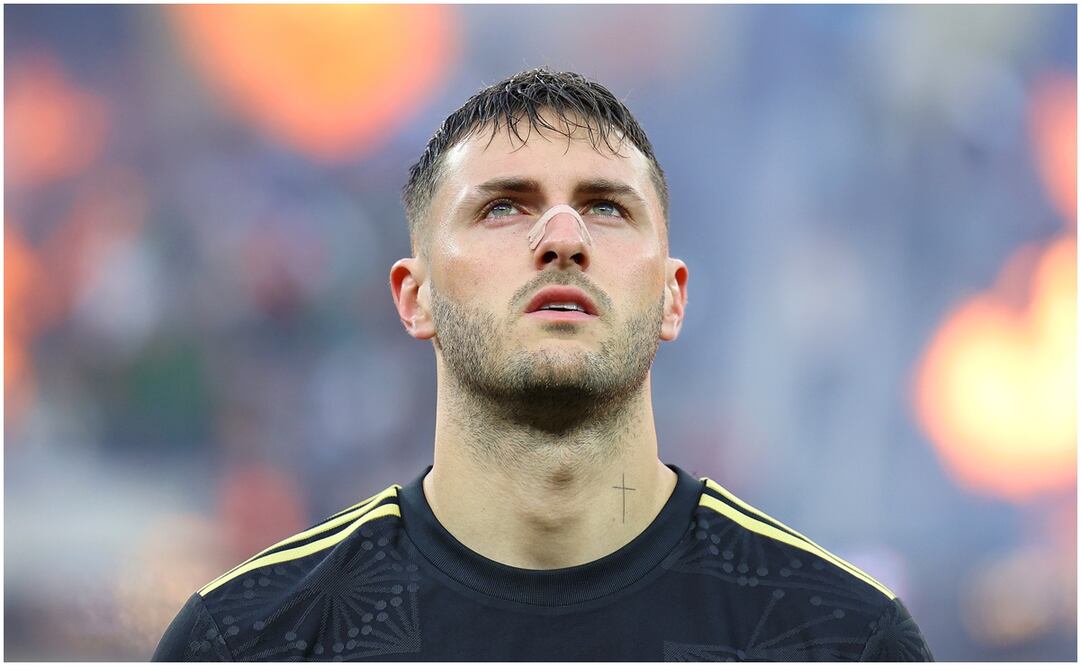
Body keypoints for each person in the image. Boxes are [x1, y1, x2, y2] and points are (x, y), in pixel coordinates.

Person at [153, 68, 934, 662]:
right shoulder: (251, 639)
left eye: (606, 206)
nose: (562, 237)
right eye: (503, 206)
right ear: (413, 296)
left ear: (671, 298)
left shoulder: (837, 638)